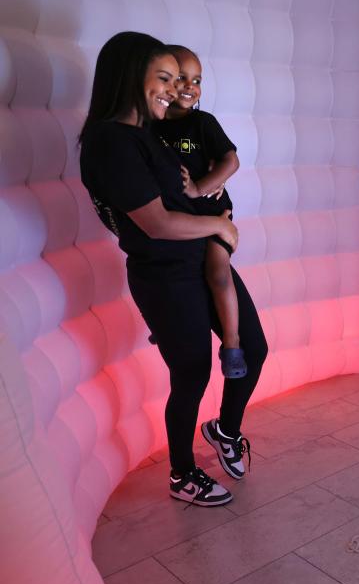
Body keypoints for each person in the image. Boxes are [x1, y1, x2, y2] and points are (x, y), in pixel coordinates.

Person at [79, 32, 268, 507]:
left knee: (254, 347)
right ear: (130, 77)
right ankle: (183, 474)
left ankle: (224, 430)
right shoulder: (109, 142)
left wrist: (205, 201)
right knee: (192, 374)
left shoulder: (146, 133)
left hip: (197, 260)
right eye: (162, 78)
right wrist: (217, 227)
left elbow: (182, 191)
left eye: (179, 79)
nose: (173, 88)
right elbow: (157, 223)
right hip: (165, 273)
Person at [152, 44, 246, 380]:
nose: (191, 86)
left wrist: (200, 187)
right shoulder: (152, 126)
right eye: (180, 78)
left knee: (218, 273)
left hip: (214, 213)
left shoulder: (202, 123)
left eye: (197, 79)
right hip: (181, 220)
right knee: (169, 272)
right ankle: (165, 325)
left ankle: (232, 344)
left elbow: (231, 160)